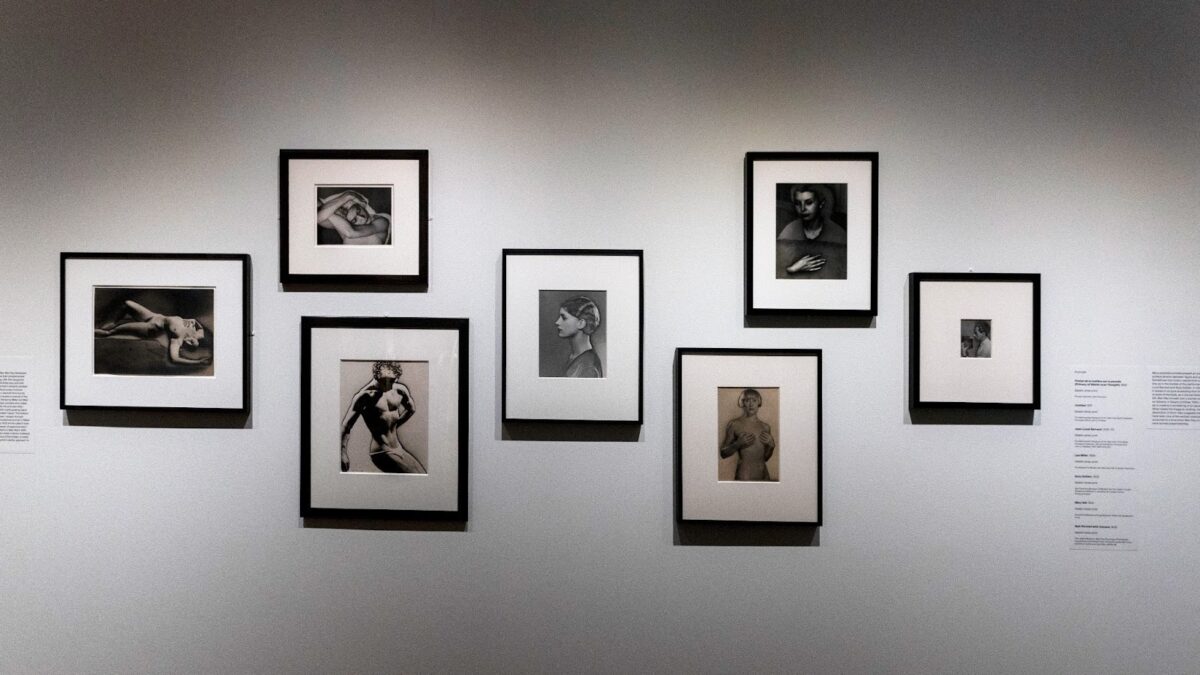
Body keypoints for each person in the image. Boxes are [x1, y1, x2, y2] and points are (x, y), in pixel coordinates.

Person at [340, 361, 425, 473]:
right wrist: (342, 453)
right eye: (384, 380)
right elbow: (346, 426)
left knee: (422, 473)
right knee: (415, 478)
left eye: (392, 380)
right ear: (376, 376)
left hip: (398, 448)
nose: (388, 384)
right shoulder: (364, 396)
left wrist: (395, 424)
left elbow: (411, 409)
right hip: (381, 452)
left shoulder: (399, 390)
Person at [93, 299, 210, 366]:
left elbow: (174, 358)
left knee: (110, 333)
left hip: (150, 328)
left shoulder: (177, 340)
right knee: (127, 304)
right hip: (153, 316)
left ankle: (90, 333)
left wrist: (197, 362)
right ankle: (112, 321)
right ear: (195, 339)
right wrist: (195, 325)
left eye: (188, 345)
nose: (189, 342)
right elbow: (197, 324)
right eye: (193, 342)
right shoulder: (197, 333)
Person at [776, 184, 847, 279]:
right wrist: (792, 269)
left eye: (809, 202)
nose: (802, 209)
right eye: (798, 203)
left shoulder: (838, 234)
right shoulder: (789, 230)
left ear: (821, 204)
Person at [719, 388, 776, 481]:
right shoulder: (734, 424)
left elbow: (765, 458)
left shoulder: (765, 427)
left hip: (764, 475)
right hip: (744, 475)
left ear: (759, 403)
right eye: (747, 400)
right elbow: (723, 453)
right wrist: (737, 444)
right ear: (742, 403)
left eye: (754, 400)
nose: (751, 404)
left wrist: (771, 446)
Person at [317, 190, 391, 245]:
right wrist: (345, 197)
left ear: (361, 206)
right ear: (347, 221)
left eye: (359, 212)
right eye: (355, 220)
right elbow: (317, 218)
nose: (362, 218)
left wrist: (348, 196)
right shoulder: (344, 225)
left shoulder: (381, 221)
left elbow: (352, 232)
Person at [554, 296, 603, 378]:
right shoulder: (575, 357)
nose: (557, 322)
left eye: (564, 318)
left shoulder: (588, 367)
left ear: (581, 323)